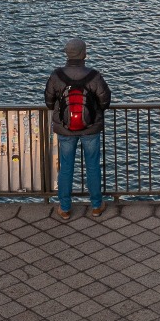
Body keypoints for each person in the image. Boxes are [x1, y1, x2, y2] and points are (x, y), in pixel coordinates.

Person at [45, 39, 111, 220]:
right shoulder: (94, 76)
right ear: (84, 54)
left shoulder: (57, 76)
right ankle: (97, 206)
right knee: (92, 167)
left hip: (65, 130)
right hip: (91, 128)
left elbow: (49, 101)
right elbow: (105, 101)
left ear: (67, 54)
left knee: (66, 168)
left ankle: (65, 208)